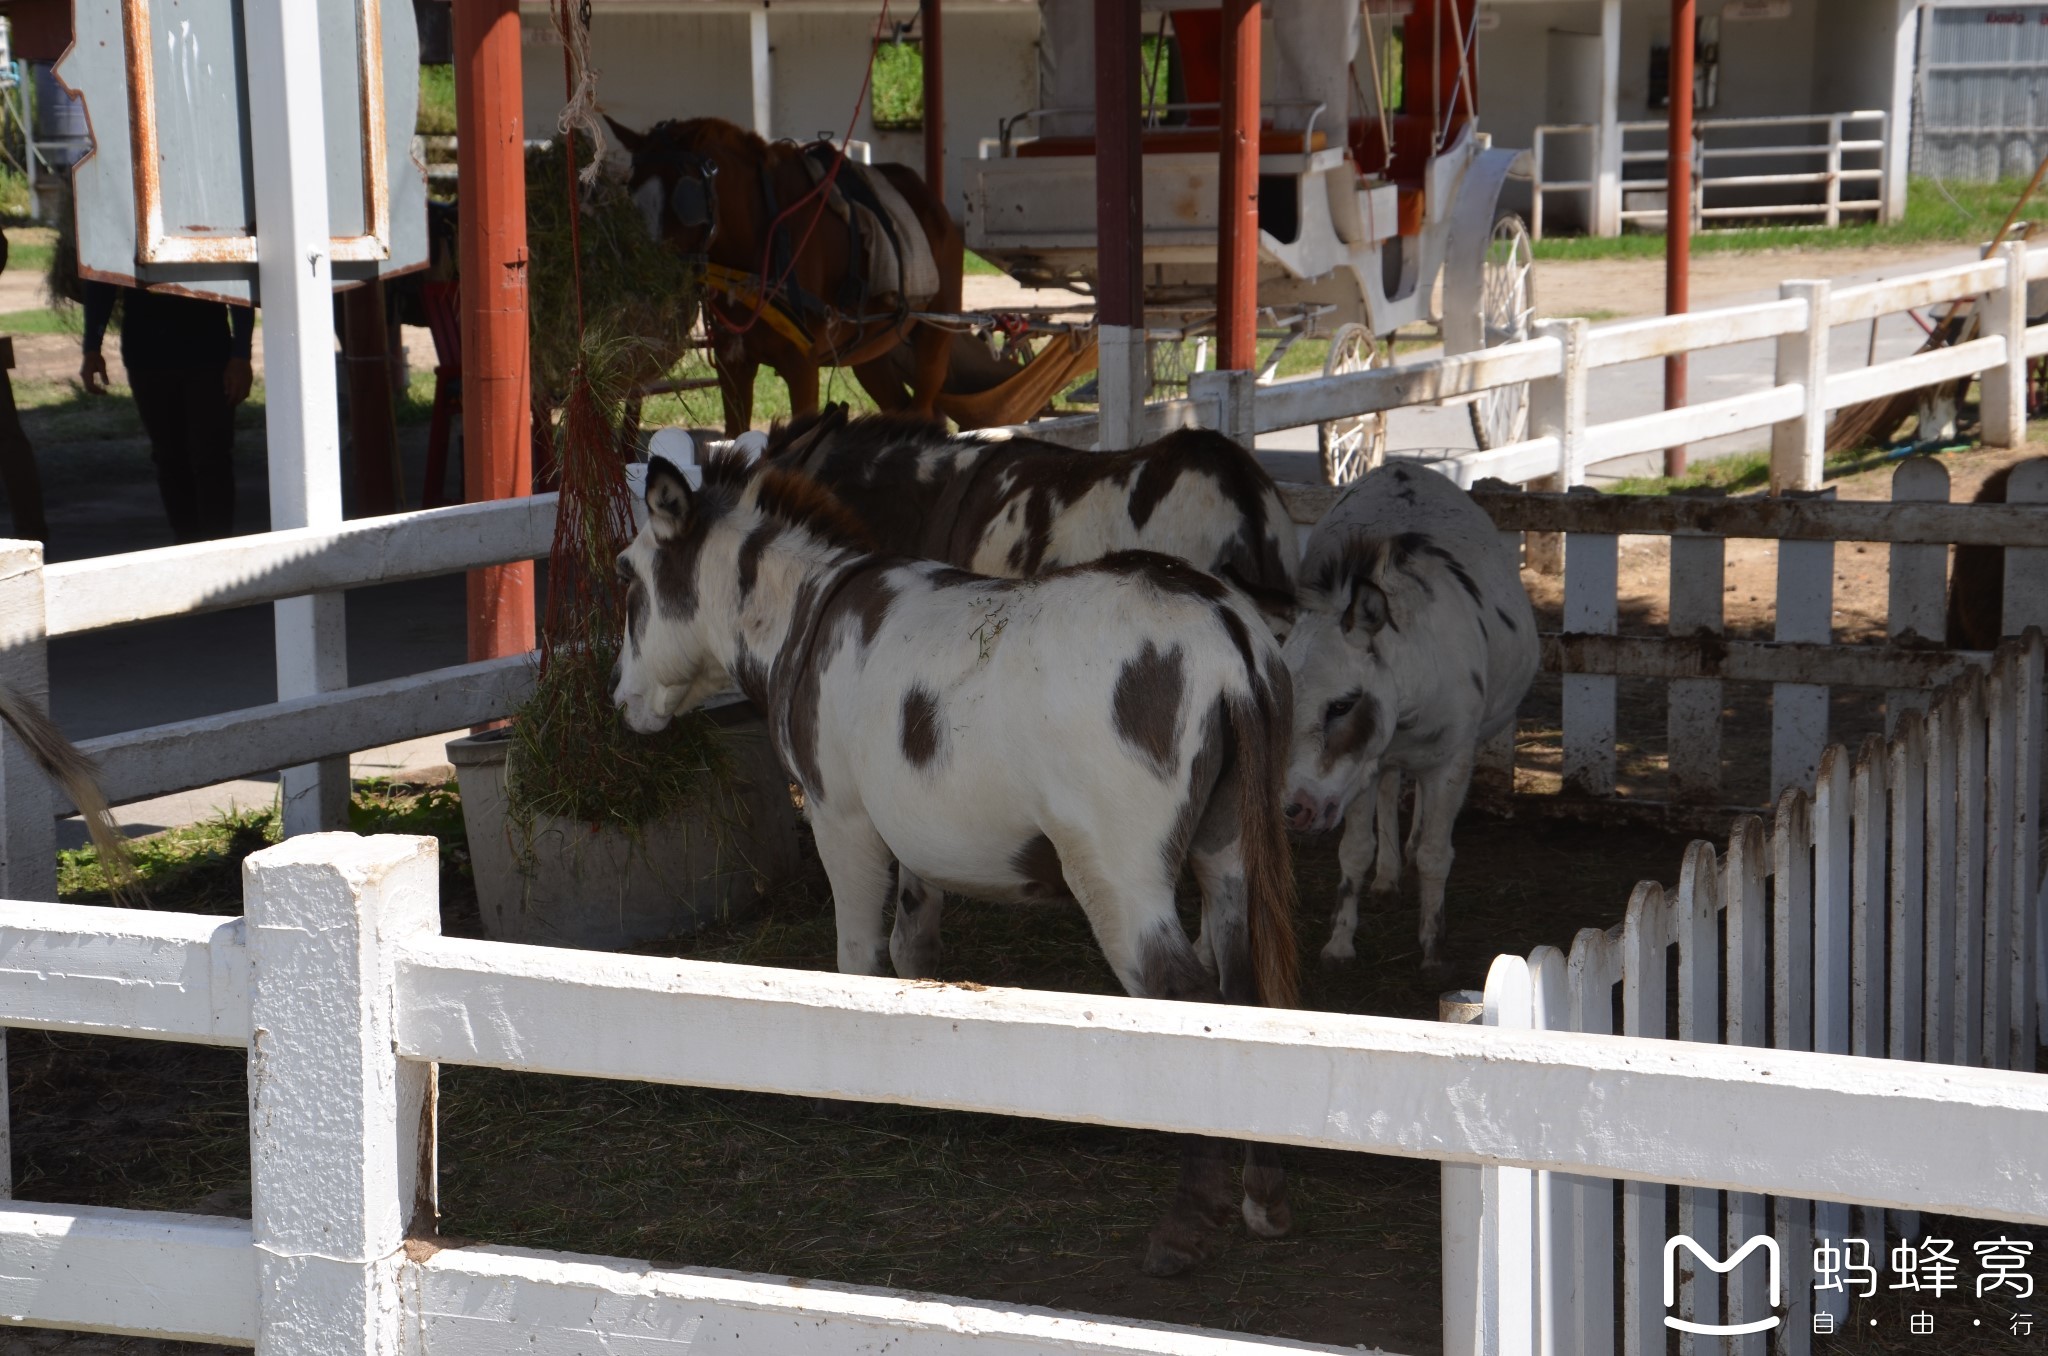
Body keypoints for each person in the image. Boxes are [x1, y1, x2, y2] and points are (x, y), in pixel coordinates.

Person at [80, 281, 255, 543]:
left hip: (208, 352)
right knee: (169, 457)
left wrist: (241, 355)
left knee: (211, 456)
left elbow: (237, 279)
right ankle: (185, 546)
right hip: (147, 355)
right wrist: (92, 346)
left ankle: (219, 549)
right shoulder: (125, 239)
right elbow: (101, 279)